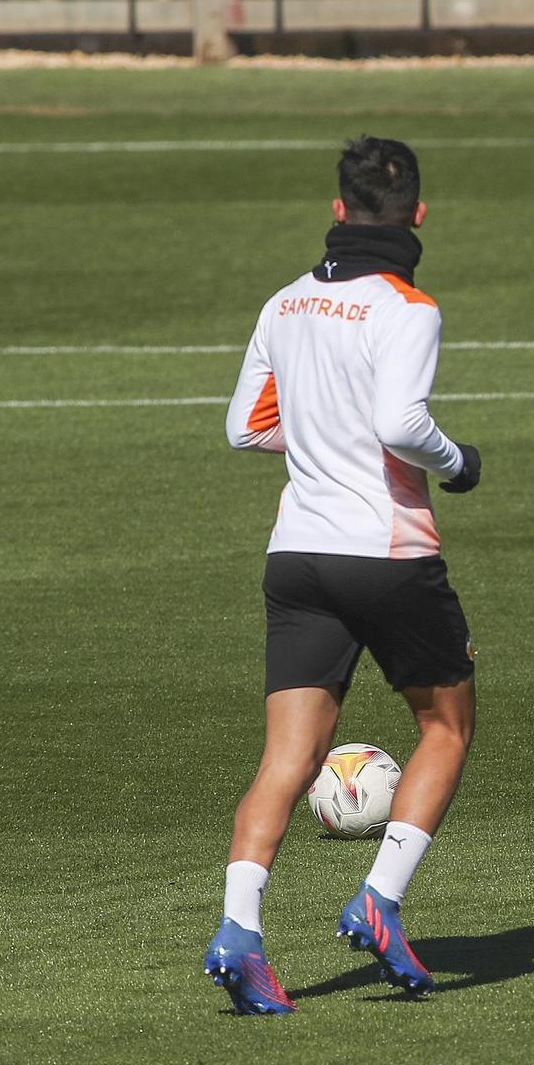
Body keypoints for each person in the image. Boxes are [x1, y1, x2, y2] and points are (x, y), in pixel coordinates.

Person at [207, 136, 482, 1015]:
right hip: (388, 554)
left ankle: (238, 930)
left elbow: (245, 430)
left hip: (297, 555)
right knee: (446, 727)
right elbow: (403, 425)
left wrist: (321, 441)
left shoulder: (284, 302)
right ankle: (379, 898)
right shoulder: (408, 307)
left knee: (287, 759)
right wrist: (458, 461)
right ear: (419, 216)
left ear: (336, 212)